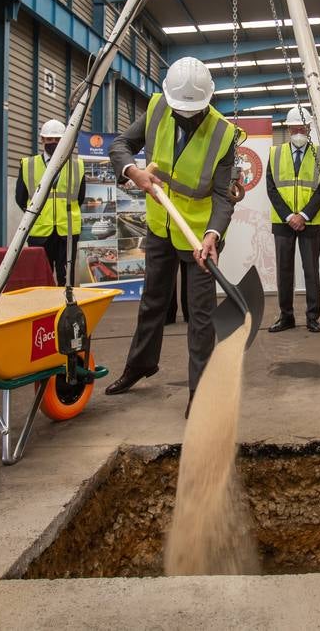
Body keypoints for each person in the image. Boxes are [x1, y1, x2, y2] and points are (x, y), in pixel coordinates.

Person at [105, 56, 236, 417]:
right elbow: (119, 145)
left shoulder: (224, 134)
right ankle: (140, 365)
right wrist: (133, 171)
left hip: (198, 237)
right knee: (153, 302)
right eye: (181, 109)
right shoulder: (159, 108)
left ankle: (201, 390)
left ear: (207, 102)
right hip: (160, 224)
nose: (185, 116)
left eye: (192, 111)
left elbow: (224, 197)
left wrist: (212, 234)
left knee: (201, 314)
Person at [266, 106, 320, 334]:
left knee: (311, 270)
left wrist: (304, 215)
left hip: (310, 222)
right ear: (289, 128)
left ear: (309, 128)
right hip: (283, 223)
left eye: (303, 128)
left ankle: (313, 317)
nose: (299, 132)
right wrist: (289, 216)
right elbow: (271, 189)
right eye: (295, 128)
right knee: (284, 271)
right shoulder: (275, 153)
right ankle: (286, 317)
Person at [15, 119, 86, 286]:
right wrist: (38, 216)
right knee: (40, 276)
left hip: (67, 230)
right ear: (42, 140)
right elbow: (20, 198)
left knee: (66, 276)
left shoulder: (77, 166)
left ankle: (65, 307)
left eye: (57, 140)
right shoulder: (28, 165)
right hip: (39, 231)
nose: (53, 143)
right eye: (49, 139)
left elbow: (80, 197)